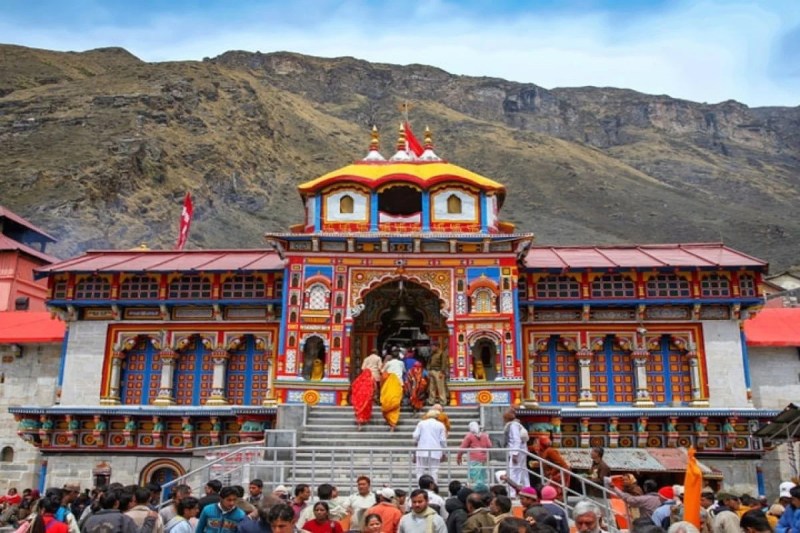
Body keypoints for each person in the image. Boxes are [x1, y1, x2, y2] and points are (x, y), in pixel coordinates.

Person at [413, 410, 448, 482]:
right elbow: (443, 441)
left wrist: (417, 441)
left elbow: (415, 436)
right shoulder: (440, 425)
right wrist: (444, 453)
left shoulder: (421, 423)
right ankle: (433, 487)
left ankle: (420, 488)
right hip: (435, 451)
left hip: (422, 450)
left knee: (420, 470)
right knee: (434, 471)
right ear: (437, 416)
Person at [503, 409, 530, 498]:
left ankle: (513, 493)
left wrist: (515, 453)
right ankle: (527, 490)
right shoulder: (518, 424)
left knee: (514, 472)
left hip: (517, 452)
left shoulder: (513, 425)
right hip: (521, 451)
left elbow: (516, 439)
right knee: (522, 471)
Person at [457, 422, 492, 486]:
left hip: (474, 459)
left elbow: (462, 447)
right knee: (482, 476)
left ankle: (476, 490)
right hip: (484, 459)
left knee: (474, 476)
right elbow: (489, 445)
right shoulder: (484, 435)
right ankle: (482, 490)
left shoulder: (469, 435)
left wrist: (459, 457)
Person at [381, 354, 404, 432]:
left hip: (389, 384)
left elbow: (382, 371)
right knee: (396, 403)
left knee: (388, 401)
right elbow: (404, 371)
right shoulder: (401, 363)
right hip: (399, 384)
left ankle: (392, 424)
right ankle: (393, 423)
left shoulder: (388, 363)